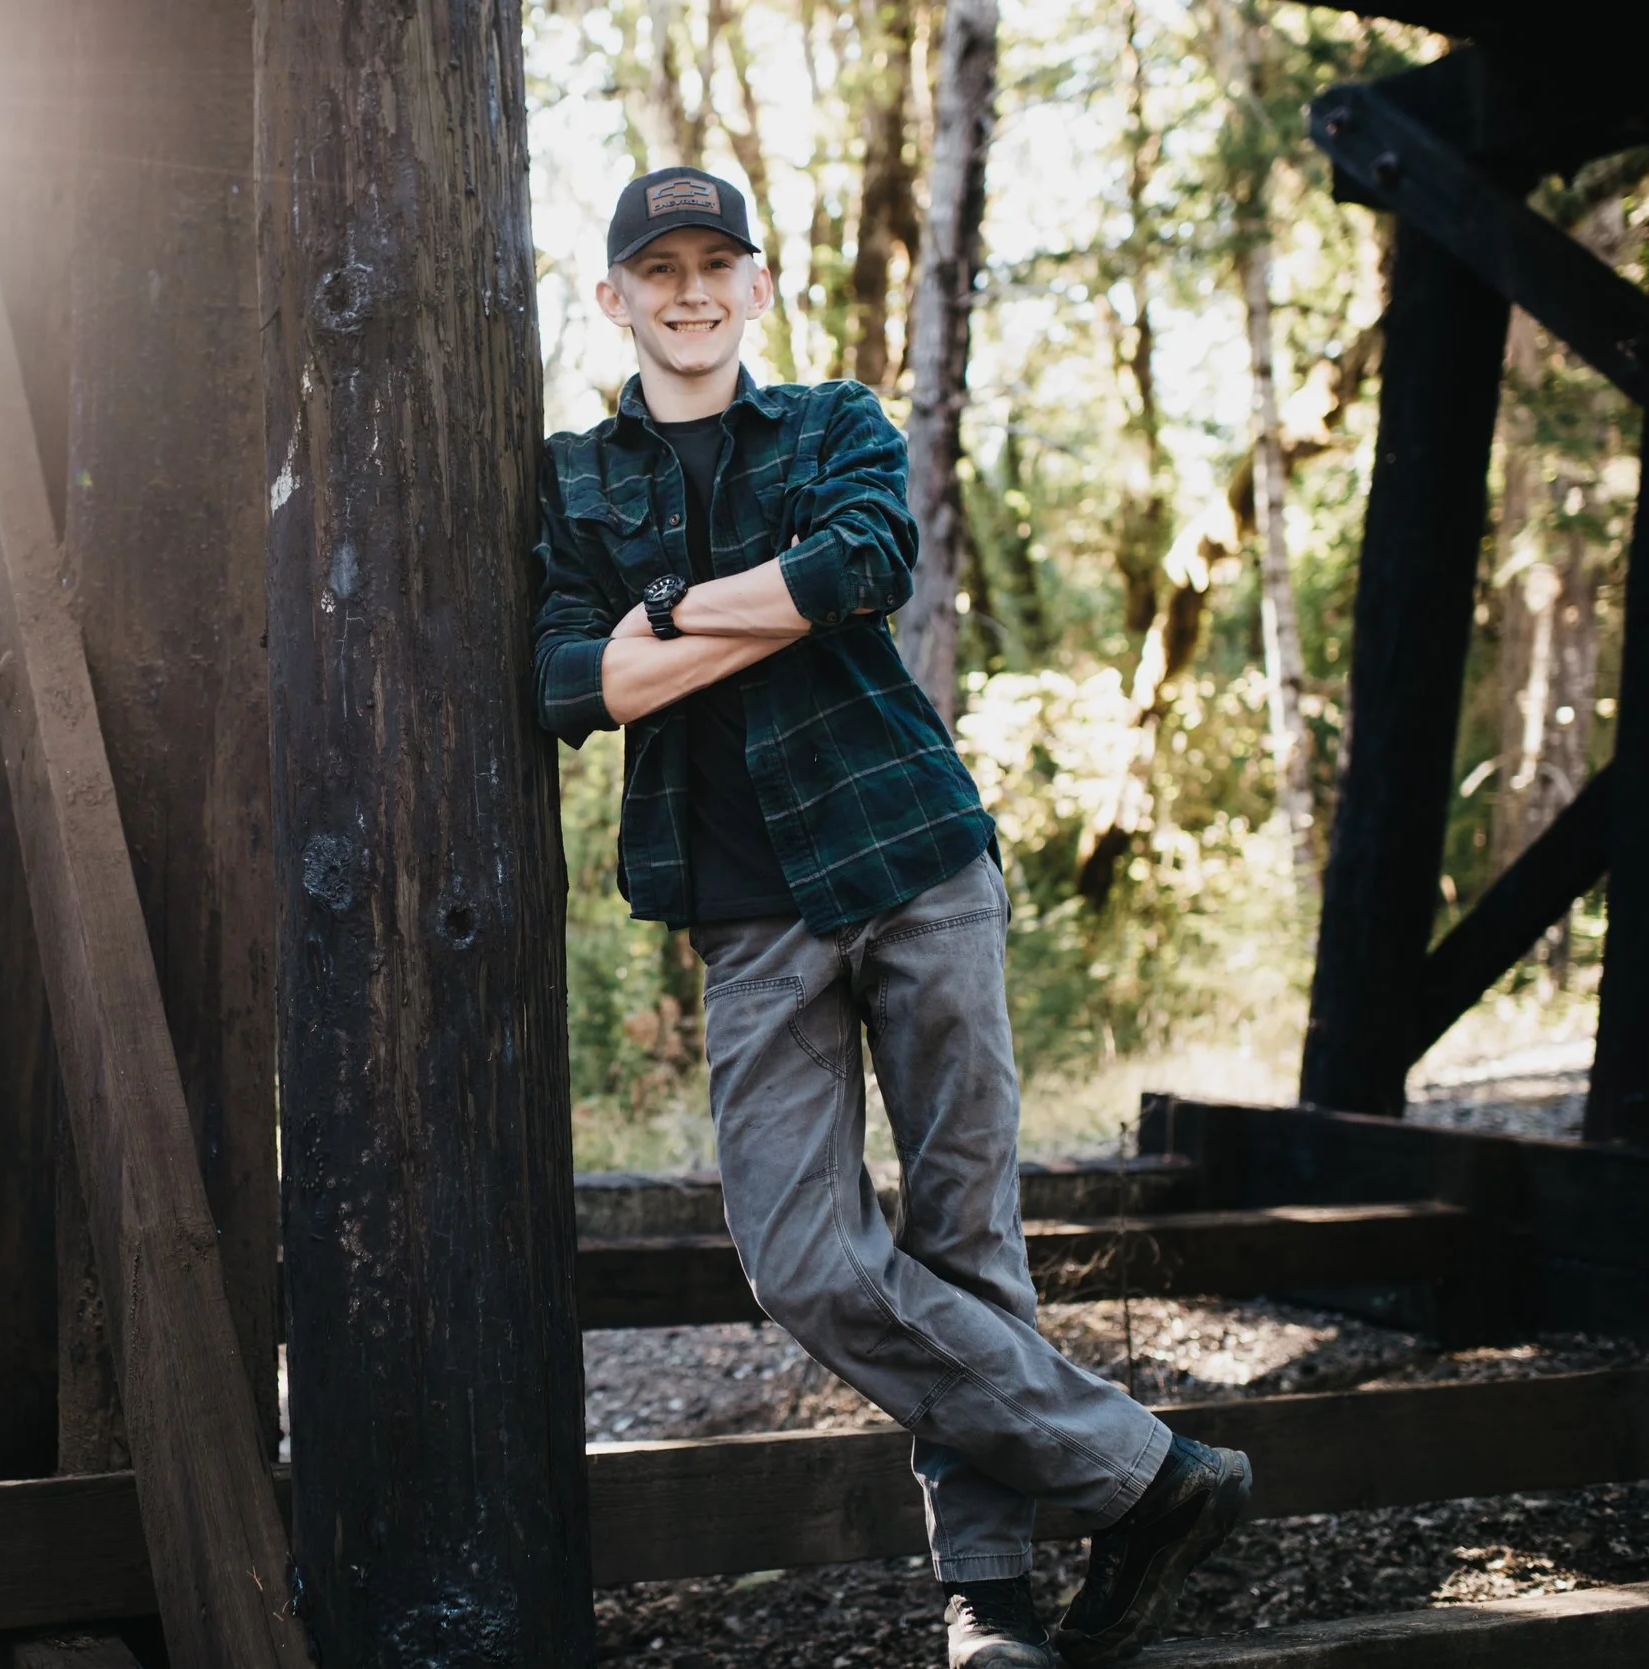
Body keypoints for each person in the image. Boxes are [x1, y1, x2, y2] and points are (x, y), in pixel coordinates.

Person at [530, 165, 1252, 1669]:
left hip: (917, 863)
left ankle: (989, 1604)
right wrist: (759, 604)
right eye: (655, 267)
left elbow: (863, 568)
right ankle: (1145, 1477)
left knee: (965, 1230)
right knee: (799, 1254)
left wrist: (661, 617)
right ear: (611, 298)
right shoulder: (575, 479)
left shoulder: (835, 424)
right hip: (748, 917)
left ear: (758, 289)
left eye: (715, 263)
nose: (688, 290)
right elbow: (563, 685)